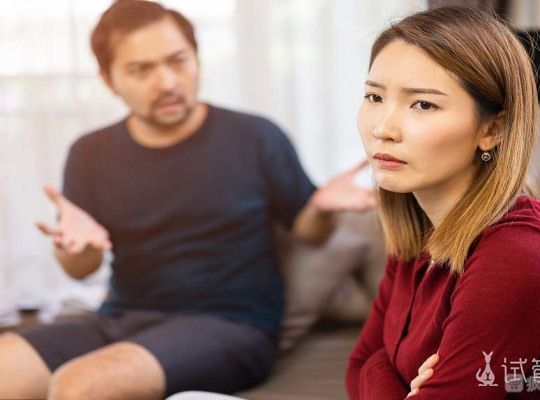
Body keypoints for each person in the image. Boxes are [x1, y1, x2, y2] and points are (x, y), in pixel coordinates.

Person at [0, 1, 375, 399]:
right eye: (140, 70)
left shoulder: (256, 136)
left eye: (177, 61)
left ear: (196, 58)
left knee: (81, 385)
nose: (166, 82)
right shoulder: (89, 152)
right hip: (122, 318)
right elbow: (80, 268)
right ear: (108, 80)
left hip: (232, 325)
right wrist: (77, 249)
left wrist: (321, 209)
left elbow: (310, 233)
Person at [346, 6, 540, 399]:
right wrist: (381, 370)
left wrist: (380, 369)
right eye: (374, 96)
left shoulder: (517, 254)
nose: (382, 128)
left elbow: (370, 367)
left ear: (492, 129)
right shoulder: (418, 223)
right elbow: (360, 363)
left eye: (423, 104)